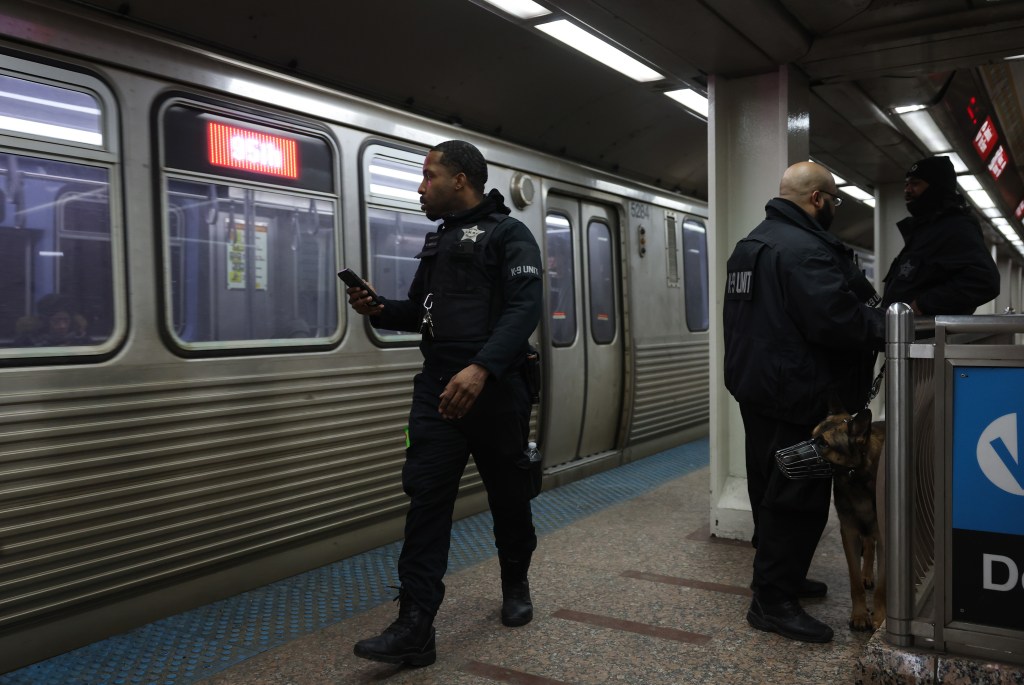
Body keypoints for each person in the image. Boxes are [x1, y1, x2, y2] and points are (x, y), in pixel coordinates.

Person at [347, 140, 542, 667]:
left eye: (428, 175)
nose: (420, 187)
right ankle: (416, 626)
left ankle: (515, 581)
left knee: (509, 496)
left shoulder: (510, 236)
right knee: (426, 501)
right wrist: (379, 308)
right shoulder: (439, 240)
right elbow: (421, 312)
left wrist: (481, 368)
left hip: (496, 391)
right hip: (438, 391)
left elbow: (524, 309)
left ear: (460, 180)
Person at [723, 161, 884, 643]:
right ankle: (773, 603)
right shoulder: (804, 251)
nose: (834, 208)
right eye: (834, 200)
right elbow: (837, 321)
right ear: (817, 199)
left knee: (768, 489)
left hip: (759, 390)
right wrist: (888, 328)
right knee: (797, 500)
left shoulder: (749, 245)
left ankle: (780, 579)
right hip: (798, 396)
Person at [881, 155, 999, 315]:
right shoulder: (927, 230)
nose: (907, 190)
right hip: (900, 328)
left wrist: (922, 305)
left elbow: (985, 280)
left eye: (915, 184)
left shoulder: (956, 227)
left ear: (936, 187)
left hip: (926, 330)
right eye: (906, 184)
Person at [14, 293, 89, 346]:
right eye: (56, 321)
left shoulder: (81, 340)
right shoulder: (27, 342)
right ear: (45, 322)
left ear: (72, 321)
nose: (62, 326)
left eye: (66, 320)